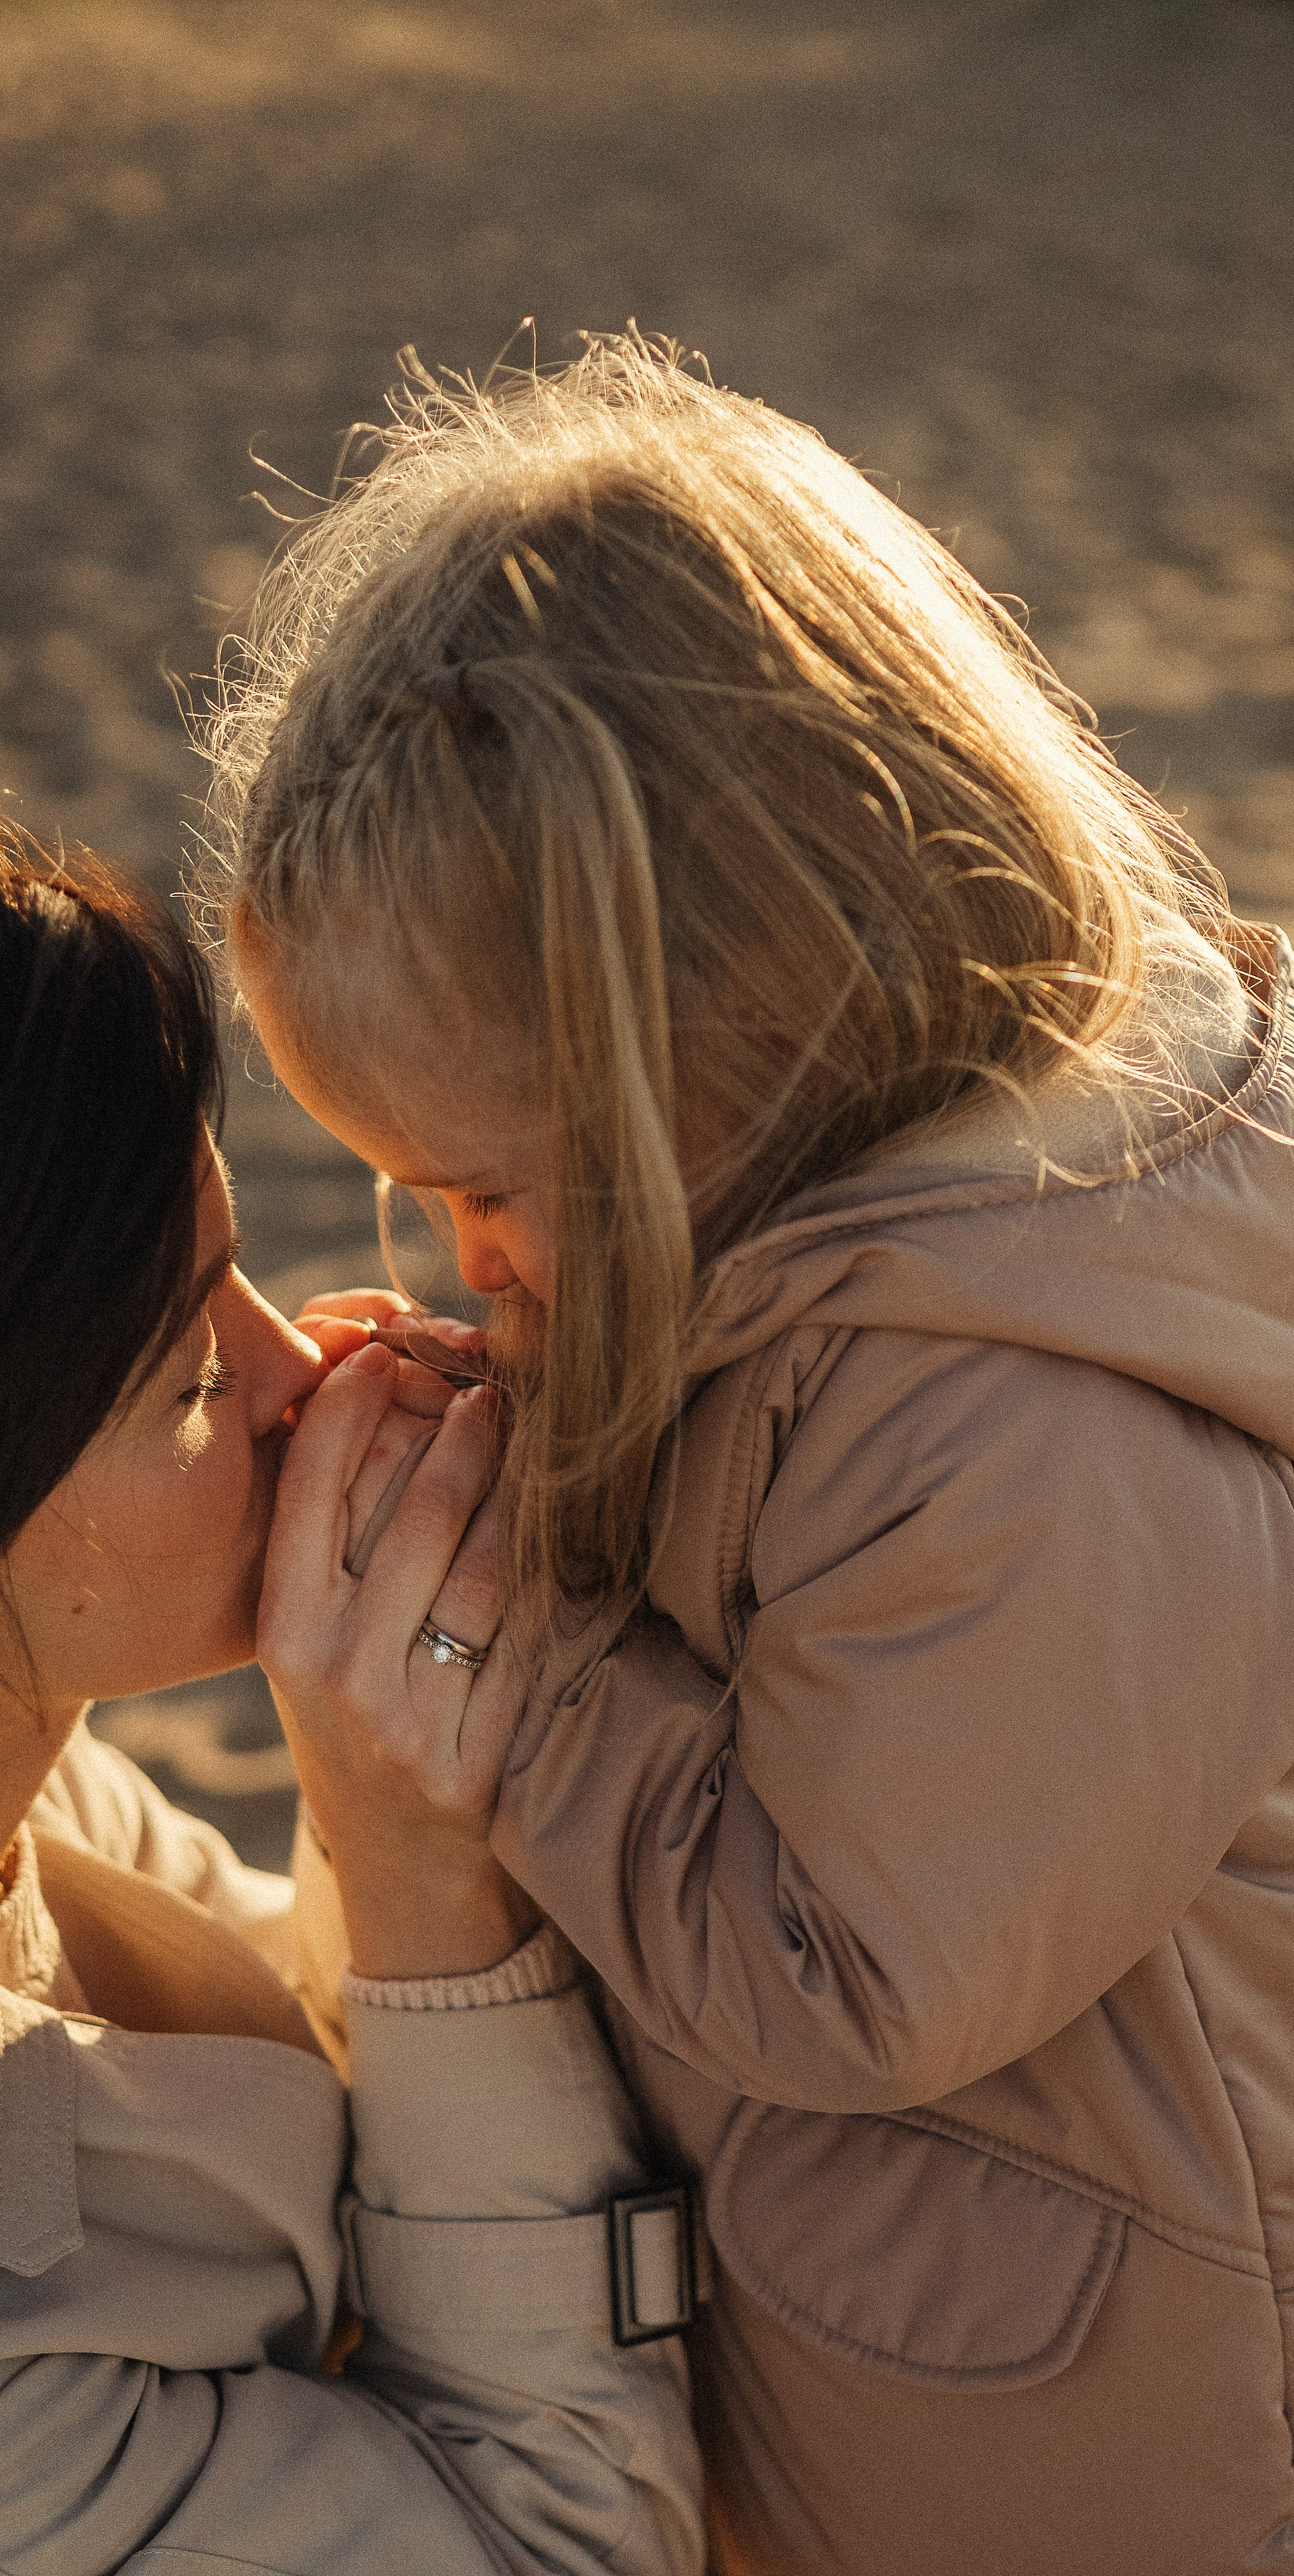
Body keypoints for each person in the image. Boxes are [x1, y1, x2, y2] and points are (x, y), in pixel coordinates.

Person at [199, 333, 1294, 2575]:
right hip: (894, 2361)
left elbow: (847, 1963)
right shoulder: (812, 1242)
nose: (473, 1255)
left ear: (749, 1029)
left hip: (1106, 2463)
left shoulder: (1042, 1424)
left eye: (493, 1185)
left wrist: (523, 1668)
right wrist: (521, 1419)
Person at [0, 810, 705, 2575]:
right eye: (189, 1374)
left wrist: (377, 1768)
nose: (305, 1367)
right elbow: (560, 2543)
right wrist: (409, 1854)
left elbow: (298, 2048)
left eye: (235, 1280)